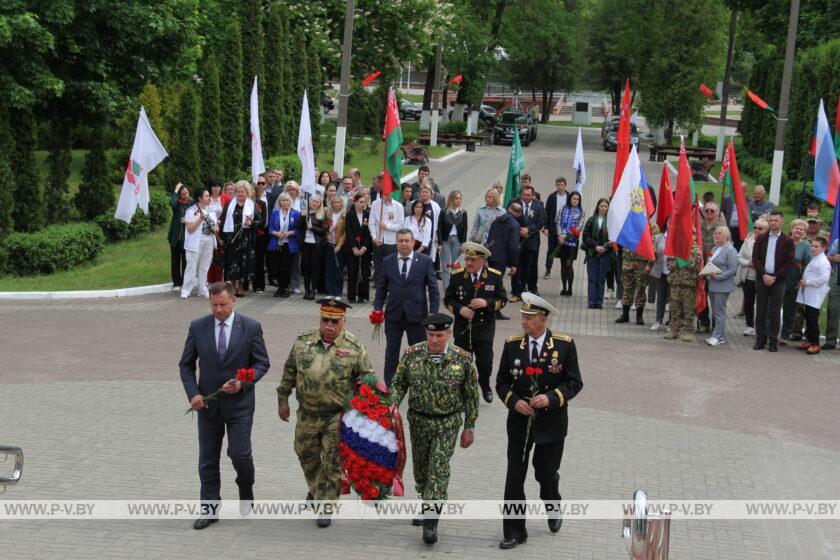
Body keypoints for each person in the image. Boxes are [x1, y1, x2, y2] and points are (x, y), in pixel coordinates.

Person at [179, 281, 270, 529]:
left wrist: (243, 383)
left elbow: (262, 364)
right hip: (208, 406)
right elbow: (186, 365)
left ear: (233, 301)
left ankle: (246, 487)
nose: (218, 310)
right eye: (214, 305)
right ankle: (210, 509)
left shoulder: (250, 327)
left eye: (223, 305)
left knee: (239, 454)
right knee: (208, 459)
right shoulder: (198, 327)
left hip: (240, 405)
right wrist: (193, 394)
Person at [495, 293, 583, 549]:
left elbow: (575, 382)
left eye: (529, 317)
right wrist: (514, 401)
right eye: (523, 316)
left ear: (542, 320)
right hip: (519, 423)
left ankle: (552, 503)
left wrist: (552, 398)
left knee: (545, 473)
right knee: (514, 477)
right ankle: (514, 530)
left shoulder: (564, 345)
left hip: (551, 424)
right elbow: (501, 382)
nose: (523, 321)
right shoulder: (513, 346)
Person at [277, 297, 374, 527]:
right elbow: (290, 370)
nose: (328, 326)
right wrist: (283, 399)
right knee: (305, 455)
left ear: (344, 321)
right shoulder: (303, 342)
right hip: (307, 412)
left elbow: (367, 377)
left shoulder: (354, 347)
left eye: (334, 321)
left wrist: (364, 405)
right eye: (325, 320)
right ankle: (317, 489)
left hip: (336, 415)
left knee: (332, 463)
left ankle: (325, 505)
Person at [389, 313, 479, 544]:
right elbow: (399, 384)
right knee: (421, 471)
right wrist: (390, 408)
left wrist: (469, 426)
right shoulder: (412, 356)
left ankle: (431, 523)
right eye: (431, 335)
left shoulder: (463, 360)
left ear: (449, 334)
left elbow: (471, 396)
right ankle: (425, 502)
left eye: (440, 335)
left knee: (438, 469)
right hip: (418, 422)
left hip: (447, 423)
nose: (435, 340)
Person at [374, 229, 440, 386]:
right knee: (391, 353)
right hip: (393, 316)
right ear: (396, 243)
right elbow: (381, 288)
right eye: (400, 241)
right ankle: (391, 386)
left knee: (418, 353)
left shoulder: (424, 261)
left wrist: (433, 314)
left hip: (417, 316)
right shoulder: (387, 261)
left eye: (407, 241)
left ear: (413, 242)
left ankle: (419, 384)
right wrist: (378, 309)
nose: (403, 244)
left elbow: (433, 289)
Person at [445, 242, 507, 403]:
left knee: (485, 363)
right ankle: (462, 391)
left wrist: (487, 303)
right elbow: (448, 300)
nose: (469, 263)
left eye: (473, 260)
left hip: (484, 328)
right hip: (463, 328)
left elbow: (502, 300)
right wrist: (460, 310)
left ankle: (485, 385)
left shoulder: (493, 276)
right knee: (460, 363)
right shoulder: (457, 275)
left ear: (482, 261)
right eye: (467, 259)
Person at [752, 210, 795, 352]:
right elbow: (756, 258)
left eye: (776, 220)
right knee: (761, 309)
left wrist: (775, 276)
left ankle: (772, 340)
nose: (773, 223)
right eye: (771, 220)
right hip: (762, 278)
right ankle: (760, 338)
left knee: (775, 311)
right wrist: (763, 274)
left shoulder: (788, 241)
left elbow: (789, 261)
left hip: (779, 280)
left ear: (782, 222)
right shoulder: (762, 238)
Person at [485, 204, 521, 321]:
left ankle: (494, 310)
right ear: (519, 214)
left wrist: (487, 254)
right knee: (497, 284)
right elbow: (513, 246)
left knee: (492, 282)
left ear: (509, 209)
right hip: (502, 258)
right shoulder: (514, 225)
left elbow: (490, 238)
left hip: (492, 255)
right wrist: (513, 264)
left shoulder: (497, 220)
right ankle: (494, 310)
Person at [705, 226, 739, 346]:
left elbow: (733, 269)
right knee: (715, 311)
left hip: (722, 285)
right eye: (715, 233)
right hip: (712, 284)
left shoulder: (730, 250)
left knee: (719, 312)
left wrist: (718, 277)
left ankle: (718, 336)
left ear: (726, 236)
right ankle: (719, 335)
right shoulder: (715, 248)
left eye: (720, 233)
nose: (717, 235)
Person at [220, 181, 256, 298]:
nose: (240, 194)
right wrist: (221, 236)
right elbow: (224, 219)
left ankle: (241, 287)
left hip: (245, 239)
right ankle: (232, 287)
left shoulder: (252, 205)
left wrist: (251, 223)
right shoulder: (230, 204)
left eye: (243, 192)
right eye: (238, 192)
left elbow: (260, 222)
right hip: (231, 239)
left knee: (243, 263)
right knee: (232, 263)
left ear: (247, 193)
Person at [181, 188, 218, 299]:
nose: (209, 198)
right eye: (206, 196)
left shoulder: (211, 210)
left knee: (205, 266)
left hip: (209, 240)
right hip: (196, 242)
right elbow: (190, 228)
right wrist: (200, 219)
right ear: (199, 198)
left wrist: (215, 228)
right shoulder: (191, 211)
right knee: (191, 266)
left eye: (209, 196)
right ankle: (186, 289)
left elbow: (215, 225)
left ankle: (202, 289)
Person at [797, 237, 831, 354]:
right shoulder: (815, 258)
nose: (813, 248)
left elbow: (824, 279)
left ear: (824, 248)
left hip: (815, 294)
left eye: (816, 246)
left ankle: (815, 344)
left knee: (812, 319)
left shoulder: (823, 262)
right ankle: (809, 340)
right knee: (808, 317)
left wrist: (807, 282)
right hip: (809, 293)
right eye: (812, 245)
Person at [510, 185, 544, 301]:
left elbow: (540, 223)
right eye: (524, 194)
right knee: (515, 267)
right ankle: (516, 293)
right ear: (521, 194)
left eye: (528, 195)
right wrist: (519, 230)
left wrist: (528, 230)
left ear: (532, 195)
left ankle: (523, 291)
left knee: (526, 268)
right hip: (516, 241)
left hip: (530, 242)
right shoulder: (513, 203)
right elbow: (509, 217)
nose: (526, 197)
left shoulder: (538, 207)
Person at [779, 219, 810, 345]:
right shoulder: (783, 240)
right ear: (791, 229)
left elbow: (808, 265)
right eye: (797, 228)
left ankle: (785, 335)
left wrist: (802, 280)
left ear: (805, 232)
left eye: (802, 229)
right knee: (773, 307)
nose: (798, 231)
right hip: (779, 277)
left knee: (789, 309)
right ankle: (769, 333)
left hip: (794, 280)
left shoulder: (806, 245)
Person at [664, 241, 702, 342]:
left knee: (688, 309)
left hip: (688, 284)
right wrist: (679, 260)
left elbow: (694, 265)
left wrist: (680, 257)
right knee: (674, 309)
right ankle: (673, 330)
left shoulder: (695, 249)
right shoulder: (673, 247)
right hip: (675, 283)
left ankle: (688, 331)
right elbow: (669, 266)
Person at [736, 218, 768, 336]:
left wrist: (758, 266)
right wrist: (748, 263)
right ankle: (749, 326)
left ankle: (761, 326)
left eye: (760, 228)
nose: (757, 230)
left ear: (766, 230)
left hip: (761, 276)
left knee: (762, 302)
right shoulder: (748, 239)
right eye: (755, 227)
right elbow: (739, 256)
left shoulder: (769, 242)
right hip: (748, 274)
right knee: (749, 301)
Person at [368, 187, 404, 285]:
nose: (387, 195)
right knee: (378, 268)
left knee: (391, 268)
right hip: (378, 241)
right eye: (385, 193)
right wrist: (374, 238)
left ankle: (390, 292)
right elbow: (371, 223)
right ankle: (379, 292)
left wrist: (386, 226)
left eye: (389, 193)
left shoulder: (398, 206)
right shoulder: (375, 204)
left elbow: (400, 225)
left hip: (391, 242)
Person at [268, 192, 300, 298]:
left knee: (287, 267)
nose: (286, 202)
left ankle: (286, 288)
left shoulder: (296, 214)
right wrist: (276, 233)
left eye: (287, 200)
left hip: (289, 244)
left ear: (290, 202)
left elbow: (298, 230)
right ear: (280, 202)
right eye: (283, 200)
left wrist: (290, 233)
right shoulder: (275, 213)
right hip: (277, 243)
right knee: (278, 267)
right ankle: (280, 288)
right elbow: (270, 228)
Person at [582, 198, 612, 309]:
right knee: (592, 278)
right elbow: (585, 236)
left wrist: (606, 248)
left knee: (601, 278)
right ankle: (591, 300)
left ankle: (599, 301)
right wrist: (595, 246)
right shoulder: (591, 220)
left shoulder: (611, 222)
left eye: (605, 206)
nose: (603, 208)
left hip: (605, 254)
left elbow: (614, 239)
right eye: (602, 206)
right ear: (597, 207)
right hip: (592, 253)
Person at [344, 193, 372, 303]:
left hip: (365, 248)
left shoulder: (368, 215)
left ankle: (362, 295)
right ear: (355, 202)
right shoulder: (350, 215)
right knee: (352, 272)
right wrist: (354, 248)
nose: (363, 204)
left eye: (364, 202)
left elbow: (370, 232)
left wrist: (364, 247)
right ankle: (351, 296)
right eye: (360, 202)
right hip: (353, 248)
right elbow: (349, 232)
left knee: (364, 272)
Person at [555, 191, 584, 297]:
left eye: (577, 199)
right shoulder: (563, 208)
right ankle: (563, 287)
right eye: (573, 198)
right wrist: (560, 235)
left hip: (572, 242)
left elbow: (579, 227)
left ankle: (570, 288)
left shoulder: (581, 212)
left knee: (569, 264)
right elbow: (557, 221)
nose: (575, 201)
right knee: (563, 265)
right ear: (570, 199)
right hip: (561, 240)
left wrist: (566, 235)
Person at [298, 194, 327, 300]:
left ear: (320, 204)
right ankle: (307, 290)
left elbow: (323, 231)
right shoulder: (305, 213)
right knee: (306, 268)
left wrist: (313, 227)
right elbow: (299, 227)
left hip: (316, 245)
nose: (314, 203)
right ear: (309, 202)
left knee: (315, 268)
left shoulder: (322, 215)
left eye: (317, 202)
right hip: (305, 244)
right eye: (313, 201)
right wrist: (302, 216)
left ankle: (313, 290)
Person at [438, 191, 468, 288]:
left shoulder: (463, 212)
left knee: (456, 266)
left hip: (457, 240)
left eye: (460, 198)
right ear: (451, 199)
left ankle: (455, 288)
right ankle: (447, 289)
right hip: (446, 240)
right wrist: (440, 242)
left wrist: (463, 244)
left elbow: (465, 230)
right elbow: (439, 228)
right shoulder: (444, 212)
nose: (459, 200)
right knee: (446, 266)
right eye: (456, 198)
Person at [543, 177, 569, 279]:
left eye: (562, 185)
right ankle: (548, 270)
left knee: (566, 251)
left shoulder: (569, 196)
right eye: (558, 185)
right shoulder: (552, 197)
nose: (560, 187)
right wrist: (546, 227)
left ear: (565, 185)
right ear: (556, 185)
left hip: (565, 228)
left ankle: (566, 273)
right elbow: (547, 212)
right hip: (553, 228)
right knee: (551, 250)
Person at [168, 182, 192, 289]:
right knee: (175, 261)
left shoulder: (192, 204)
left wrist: (186, 221)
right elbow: (172, 203)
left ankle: (184, 283)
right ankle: (177, 283)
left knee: (186, 262)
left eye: (187, 193)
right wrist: (175, 190)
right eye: (183, 194)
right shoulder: (177, 204)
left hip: (187, 238)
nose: (186, 195)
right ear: (179, 195)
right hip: (176, 237)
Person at [207, 179, 229, 285]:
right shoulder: (207, 199)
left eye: (218, 186)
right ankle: (210, 280)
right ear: (210, 188)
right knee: (210, 256)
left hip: (221, 232)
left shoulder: (226, 198)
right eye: (214, 186)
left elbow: (228, 215)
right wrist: (212, 225)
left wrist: (219, 224)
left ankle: (219, 281)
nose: (216, 188)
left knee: (219, 256)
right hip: (209, 231)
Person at [324, 196, 346, 298]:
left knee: (338, 270)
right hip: (329, 245)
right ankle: (330, 292)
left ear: (341, 203)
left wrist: (339, 245)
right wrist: (327, 234)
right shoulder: (328, 214)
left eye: (339, 202)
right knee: (329, 269)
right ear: (332, 204)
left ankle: (337, 293)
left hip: (338, 246)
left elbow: (344, 233)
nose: (337, 204)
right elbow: (325, 228)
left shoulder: (344, 216)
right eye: (335, 202)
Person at [821, 237, 840, 350]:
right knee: (832, 310)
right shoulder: (838, 241)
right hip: (837, 281)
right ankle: (831, 340)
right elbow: (828, 257)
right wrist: (834, 258)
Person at [650, 222, 669, 330]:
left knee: (674, 299)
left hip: (673, 273)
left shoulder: (678, 237)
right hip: (660, 271)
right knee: (661, 297)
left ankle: (672, 322)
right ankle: (658, 321)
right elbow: (652, 254)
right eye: (669, 222)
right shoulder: (658, 237)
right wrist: (653, 252)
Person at [252, 178, 269, 293]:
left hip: (259, 235)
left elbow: (263, 221)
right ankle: (243, 284)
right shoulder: (243, 203)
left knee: (258, 260)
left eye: (254, 190)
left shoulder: (261, 204)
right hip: (246, 236)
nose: (252, 192)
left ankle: (259, 285)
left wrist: (253, 224)